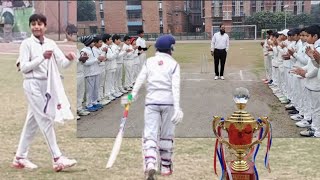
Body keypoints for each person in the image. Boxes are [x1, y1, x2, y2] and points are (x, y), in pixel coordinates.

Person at [13, 14, 77, 171]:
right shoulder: (26, 44)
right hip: (32, 84)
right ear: (30, 27)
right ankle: (57, 158)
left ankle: (20, 157)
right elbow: (24, 67)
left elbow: (62, 63)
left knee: (32, 122)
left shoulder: (50, 43)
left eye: (39, 24)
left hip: (47, 85)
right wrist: (42, 57)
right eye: (33, 24)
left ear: (45, 26)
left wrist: (69, 58)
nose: (36, 26)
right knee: (46, 118)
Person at [123, 35, 183, 179]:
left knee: (150, 134)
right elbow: (175, 87)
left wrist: (130, 97)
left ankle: (150, 163)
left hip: (151, 102)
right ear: (170, 49)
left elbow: (139, 81)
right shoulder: (174, 64)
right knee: (166, 134)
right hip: (168, 103)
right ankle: (166, 166)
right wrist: (177, 108)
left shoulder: (149, 62)